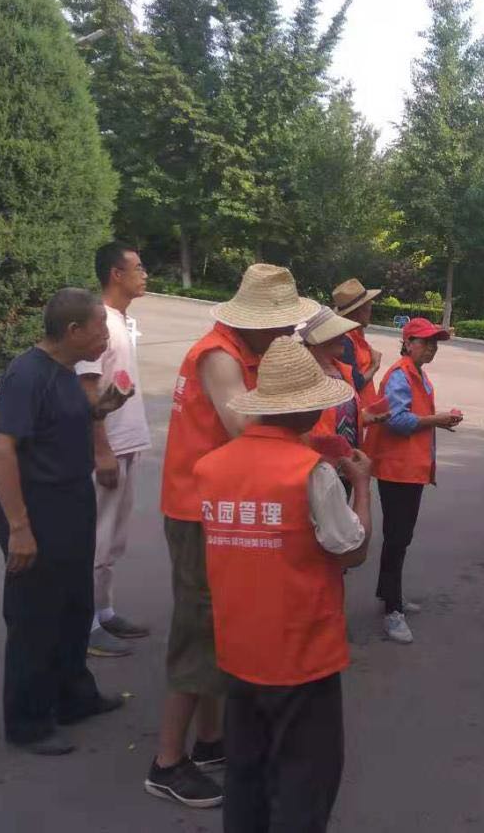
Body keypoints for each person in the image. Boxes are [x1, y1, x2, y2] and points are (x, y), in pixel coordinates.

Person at [147, 265, 320, 809]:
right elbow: (244, 428)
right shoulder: (219, 357)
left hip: (215, 505)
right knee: (198, 629)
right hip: (198, 509)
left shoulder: (239, 351)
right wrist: (303, 426)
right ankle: (167, 762)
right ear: (257, 320)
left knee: (219, 626)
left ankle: (210, 739)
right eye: (282, 326)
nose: (287, 334)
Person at [193, 338, 373, 833]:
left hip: (238, 647)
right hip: (302, 651)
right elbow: (352, 549)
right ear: (310, 409)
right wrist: (361, 486)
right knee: (305, 779)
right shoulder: (310, 474)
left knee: (245, 772)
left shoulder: (212, 467)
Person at [0, 288, 132, 755]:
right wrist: (19, 528)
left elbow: (61, 422)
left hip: (72, 504)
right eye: (99, 328)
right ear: (72, 331)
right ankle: (28, 722)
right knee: (35, 619)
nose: (106, 336)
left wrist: (101, 408)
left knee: (73, 607)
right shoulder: (26, 375)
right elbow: (1, 451)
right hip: (37, 511)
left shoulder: (66, 371)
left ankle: (74, 697)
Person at [363, 318, 462, 645]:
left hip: (409, 468)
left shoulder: (415, 373)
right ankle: (392, 610)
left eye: (435, 343)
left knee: (399, 537)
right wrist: (437, 420)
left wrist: (438, 421)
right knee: (397, 538)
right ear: (407, 343)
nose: (431, 348)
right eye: (425, 342)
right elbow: (398, 421)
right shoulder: (400, 375)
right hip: (398, 469)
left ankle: (389, 594)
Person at [75, 242, 152, 660]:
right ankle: (86, 626)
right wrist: (101, 449)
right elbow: (87, 390)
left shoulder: (121, 321)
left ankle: (103, 611)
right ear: (115, 275)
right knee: (98, 539)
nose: (145, 274)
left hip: (127, 444)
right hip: (109, 448)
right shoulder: (98, 323)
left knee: (114, 539)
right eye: (137, 268)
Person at [302, 307, 388, 453]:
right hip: (320, 459)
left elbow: (337, 418)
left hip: (346, 459)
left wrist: (362, 417)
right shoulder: (304, 376)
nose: (344, 336)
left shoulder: (343, 371)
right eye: (336, 332)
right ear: (320, 339)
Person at [333, 278, 384, 406]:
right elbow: (355, 382)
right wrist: (375, 365)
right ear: (358, 311)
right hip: (358, 411)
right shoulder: (345, 341)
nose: (370, 311)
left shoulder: (355, 335)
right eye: (368, 307)